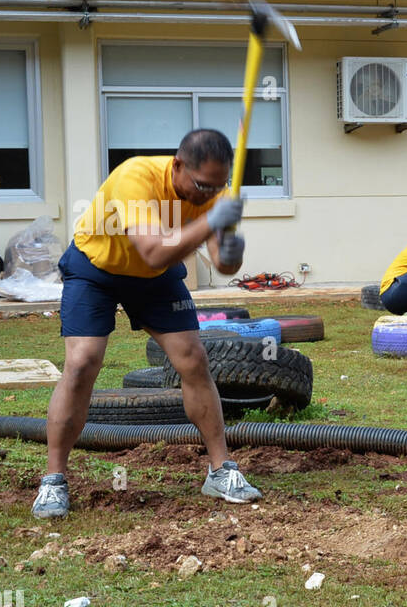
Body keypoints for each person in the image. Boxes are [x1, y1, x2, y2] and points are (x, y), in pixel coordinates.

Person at [32, 129, 261, 519]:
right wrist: (212, 223)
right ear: (177, 166)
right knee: (83, 361)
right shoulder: (135, 177)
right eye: (202, 185)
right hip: (97, 269)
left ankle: (221, 470)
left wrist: (232, 252)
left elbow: (222, 265)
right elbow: (153, 251)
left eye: (217, 187)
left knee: (192, 357)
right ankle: (54, 480)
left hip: (156, 278)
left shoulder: (215, 191)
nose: (209, 195)